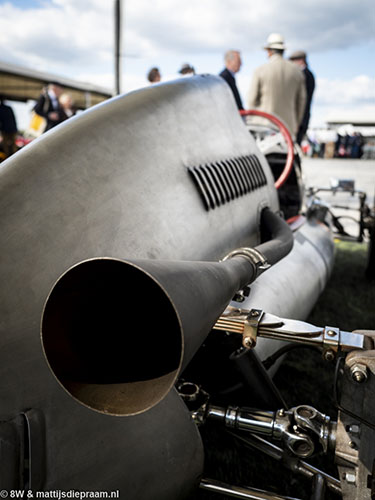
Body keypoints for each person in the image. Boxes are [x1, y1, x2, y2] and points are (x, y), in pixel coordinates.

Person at [247, 34, 306, 138]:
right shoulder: (297, 72)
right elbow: (301, 101)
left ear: (269, 51)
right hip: (288, 127)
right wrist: (296, 122)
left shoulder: (260, 70)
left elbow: (251, 100)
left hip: (265, 126)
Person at [289, 50, 315, 145]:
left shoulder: (305, 75)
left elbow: (302, 100)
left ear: (300, 61)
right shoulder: (306, 75)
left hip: (299, 120)